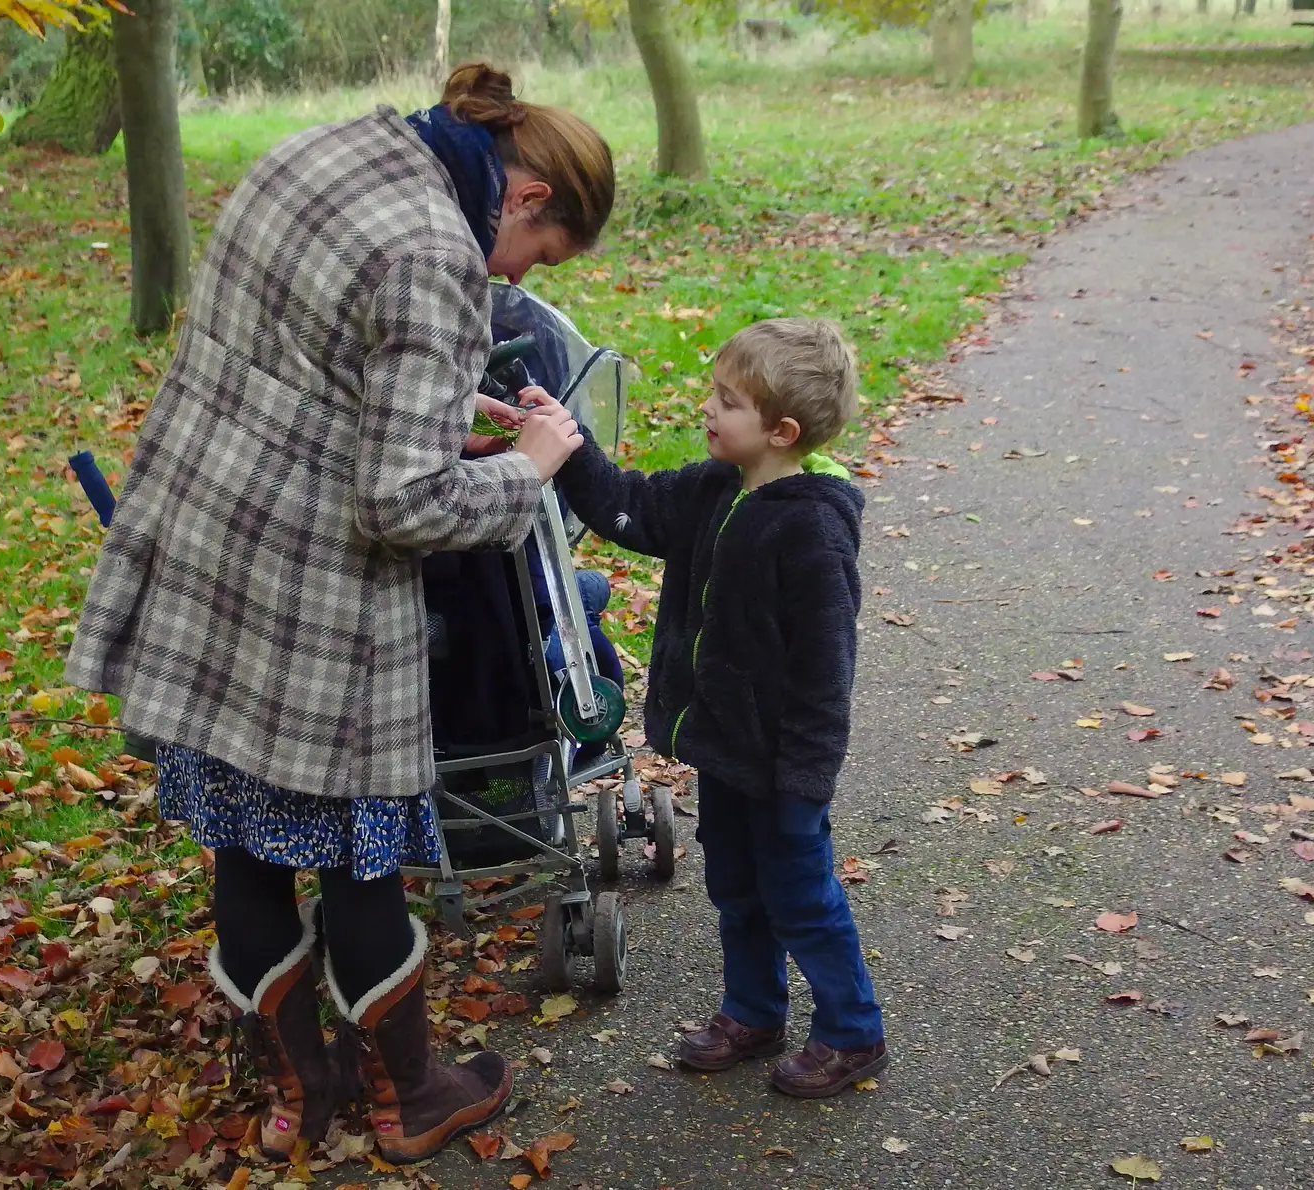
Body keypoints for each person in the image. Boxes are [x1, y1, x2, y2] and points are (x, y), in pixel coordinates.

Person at [64, 64, 613, 1162]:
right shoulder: (436, 254)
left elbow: (307, 347)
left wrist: (451, 404)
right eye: (534, 258)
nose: (511, 277)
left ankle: (296, 1095)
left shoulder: (320, 152)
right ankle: (410, 1097)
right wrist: (534, 464)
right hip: (310, 599)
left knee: (242, 839)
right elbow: (400, 502)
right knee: (357, 854)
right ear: (529, 199)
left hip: (196, 547)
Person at [550, 317, 888, 1098]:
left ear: (782, 430)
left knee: (801, 897)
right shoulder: (716, 487)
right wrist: (565, 444)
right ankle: (753, 1011)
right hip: (727, 748)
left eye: (726, 401)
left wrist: (808, 777)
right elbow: (626, 505)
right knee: (736, 887)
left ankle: (852, 1030)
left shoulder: (810, 529)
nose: (707, 407)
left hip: (785, 765)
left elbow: (825, 672)